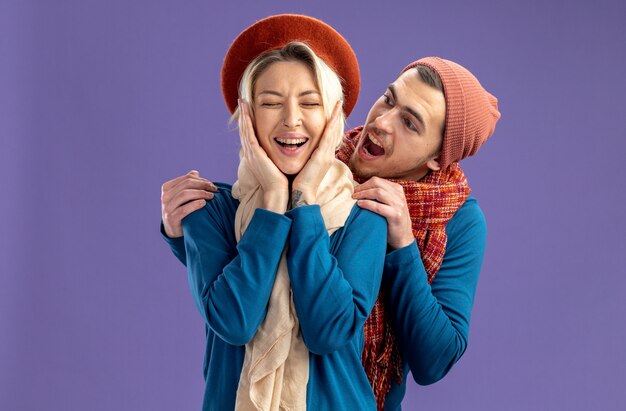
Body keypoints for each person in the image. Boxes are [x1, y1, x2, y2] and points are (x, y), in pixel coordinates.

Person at [162, 19, 501, 411]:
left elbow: (434, 358)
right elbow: (240, 267)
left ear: (435, 159)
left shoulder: (443, 219)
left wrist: (404, 246)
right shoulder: (309, 151)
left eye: (409, 123)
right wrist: (184, 229)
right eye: (389, 99)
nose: (382, 122)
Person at [162, 14, 387, 411]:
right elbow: (234, 320)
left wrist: (302, 200)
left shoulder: (364, 217)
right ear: (246, 115)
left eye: (310, 103)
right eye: (271, 103)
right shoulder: (208, 210)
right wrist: (271, 201)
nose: (291, 119)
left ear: (333, 117)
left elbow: (328, 331)